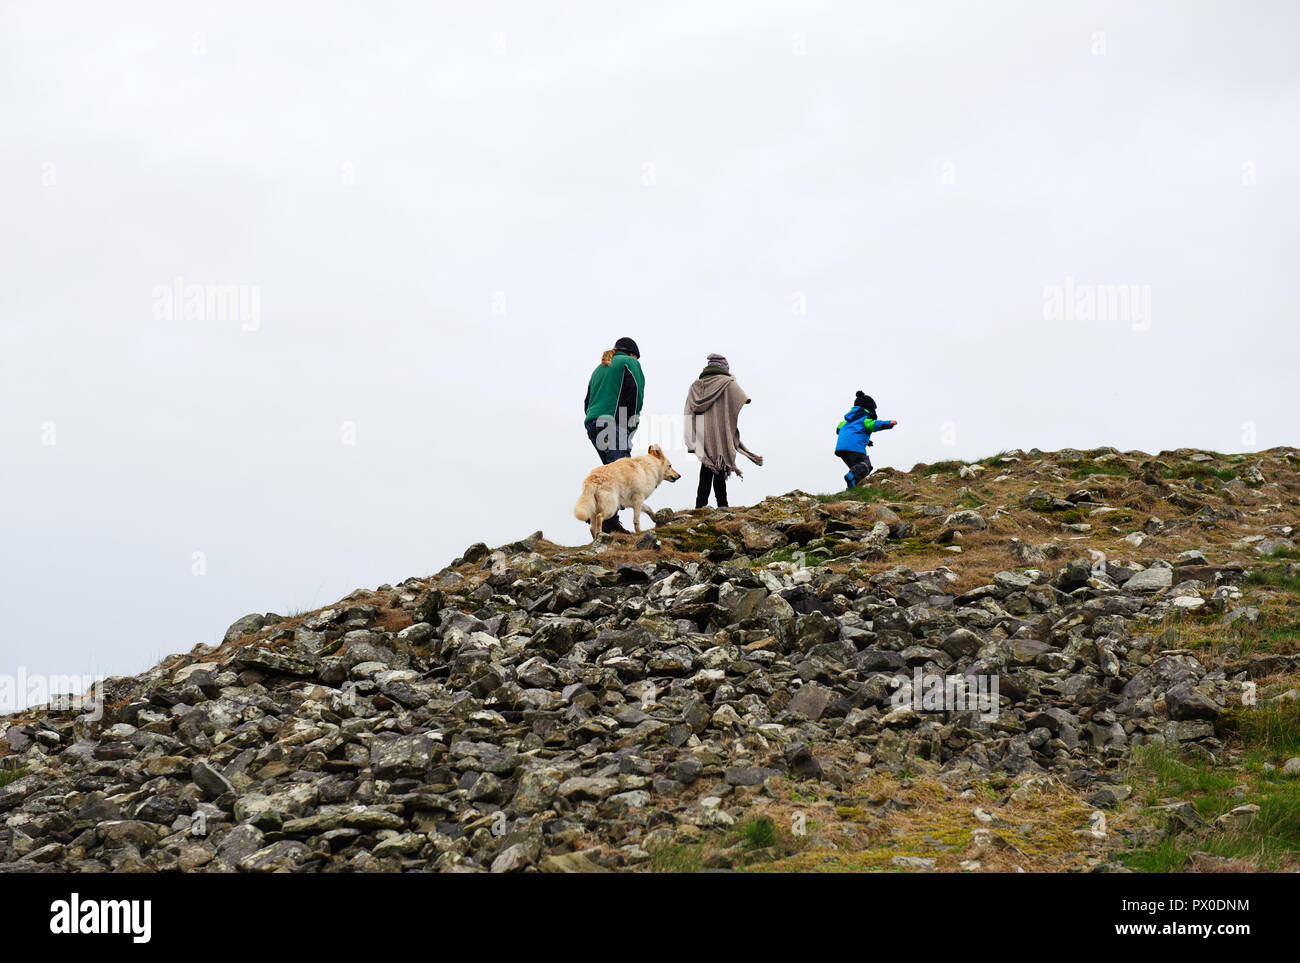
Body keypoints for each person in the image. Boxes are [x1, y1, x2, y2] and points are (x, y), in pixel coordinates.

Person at [683, 353, 763, 508]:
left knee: (707, 468)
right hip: (719, 433)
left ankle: (700, 506)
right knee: (719, 466)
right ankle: (722, 506)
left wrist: (692, 438)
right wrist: (732, 380)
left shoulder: (696, 386)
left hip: (702, 433)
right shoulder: (728, 383)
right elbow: (743, 398)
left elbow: (689, 411)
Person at [583, 337, 645, 532]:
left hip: (594, 424)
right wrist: (630, 425)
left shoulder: (599, 368)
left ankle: (609, 521)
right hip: (613, 424)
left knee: (612, 474)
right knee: (622, 475)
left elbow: (587, 401)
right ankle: (602, 515)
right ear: (633, 354)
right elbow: (636, 395)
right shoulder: (630, 363)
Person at [835, 391, 897, 489]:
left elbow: (839, 430)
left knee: (857, 467)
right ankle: (852, 476)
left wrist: (866, 441)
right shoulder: (864, 419)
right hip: (854, 447)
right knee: (865, 465)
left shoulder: (846, 422)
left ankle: (853, 487)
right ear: (870, 408)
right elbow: (875, 424)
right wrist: (889, 423)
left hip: (841, 449)